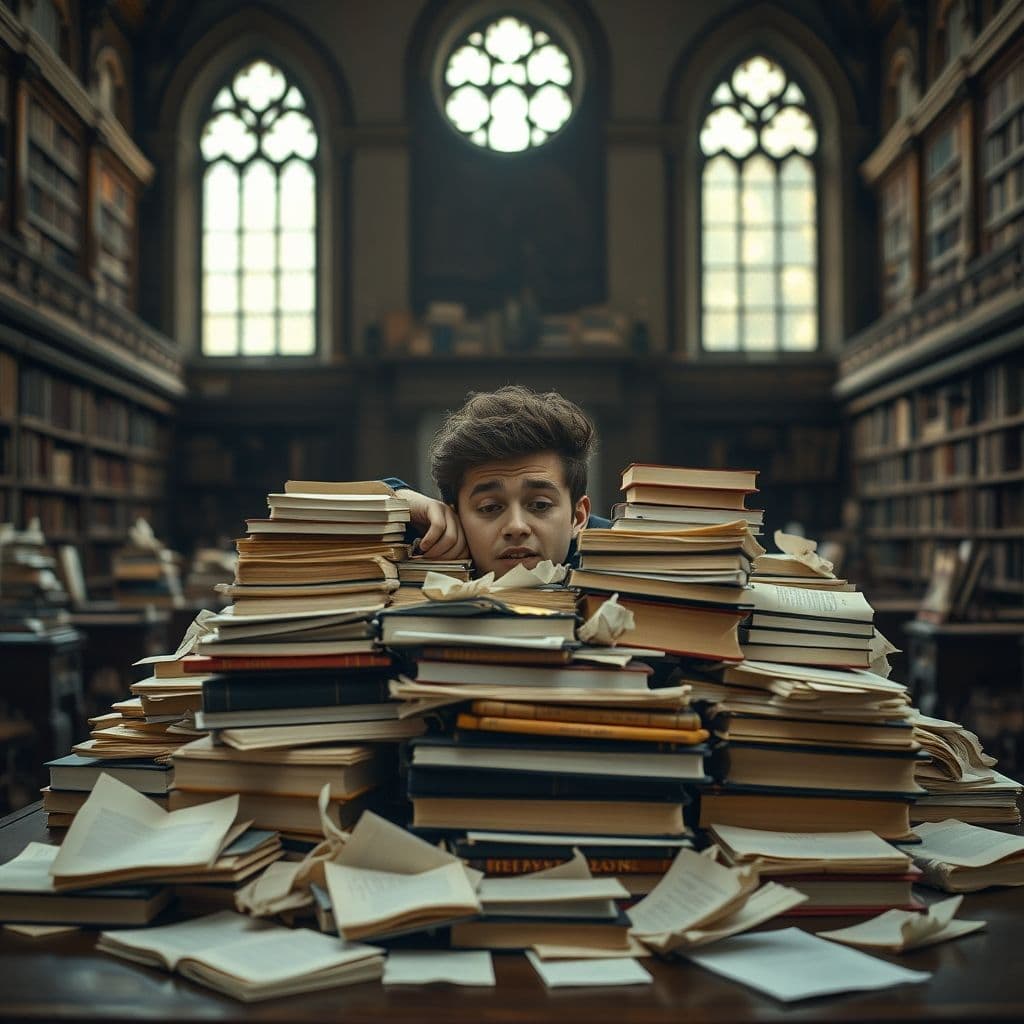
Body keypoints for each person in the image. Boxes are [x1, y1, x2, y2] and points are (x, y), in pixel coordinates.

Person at [384, 386, 609, 577]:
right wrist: (399, 499)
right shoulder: (435, 544)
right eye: (490, 507)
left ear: (578, 518)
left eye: (540, 505)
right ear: (458, 518)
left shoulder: (626, 560)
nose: (516, 527)